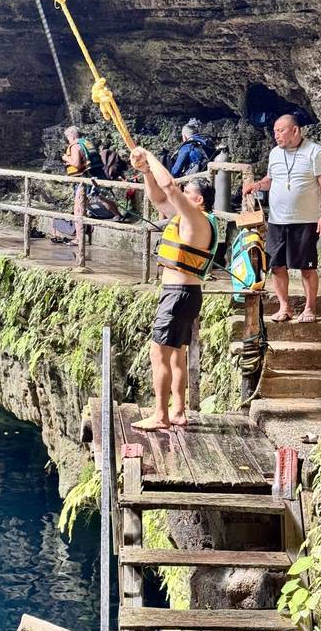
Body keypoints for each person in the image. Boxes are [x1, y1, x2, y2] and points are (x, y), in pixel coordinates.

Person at [130, 146, 218, 429]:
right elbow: (158, 196)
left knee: (159, 354)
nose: (179, 194)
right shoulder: (187, 218)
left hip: (178, 296)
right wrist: (146, 171)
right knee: (177, 354)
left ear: (198, 200)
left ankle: (160, 415)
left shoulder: (196, 219)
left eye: (186, 192)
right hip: (185, 295)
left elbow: (168, 185)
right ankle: (178, 411)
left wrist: (148, 155)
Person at [243, 113, 321, 323]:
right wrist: (257, 185)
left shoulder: (315, 151)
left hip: (305, 220)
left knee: (307, 267)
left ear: (295, 130)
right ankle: (284, 307)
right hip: (277, 220)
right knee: (276, 265)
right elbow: (270, 179)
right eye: (275, 131)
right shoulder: (275, 153)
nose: (276, 135)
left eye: (280, 131)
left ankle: (310, 308)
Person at [62, 126, 124, 221]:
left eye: (68, 138)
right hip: (98, 173)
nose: (68, 141)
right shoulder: (86, 143)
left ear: (72, 136)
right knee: (102, 196)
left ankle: (81, 219)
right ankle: (117, 215)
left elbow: (77, 164)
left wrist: (66, 158)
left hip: (87, 176)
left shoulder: (75, 146)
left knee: (81, 198)